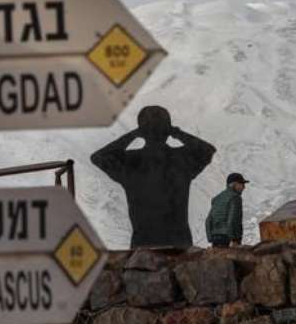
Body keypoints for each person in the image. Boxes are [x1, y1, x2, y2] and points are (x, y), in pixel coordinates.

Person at [91, 106, 216, 248]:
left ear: (142, 131)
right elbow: (207, 150)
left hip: (143, 244)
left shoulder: (130, 162)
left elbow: (99, 157)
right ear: (167, 130)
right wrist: (176, 132)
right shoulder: (181, 159)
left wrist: (133, 135)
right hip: (179, 243)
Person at [205, 173, 248, 247]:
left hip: (215, 238)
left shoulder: (217, 198)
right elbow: (233, 220)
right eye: (241, 184)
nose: (244, 187)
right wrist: (235, 240)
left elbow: (208, 221)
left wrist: (210, 238)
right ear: (233, 184)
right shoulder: (235, 198)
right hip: (228, 239)